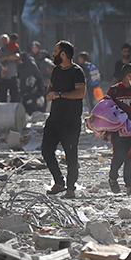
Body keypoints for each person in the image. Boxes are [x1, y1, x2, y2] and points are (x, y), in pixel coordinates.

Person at [42, 40, 87, 199]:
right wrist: (50, 93)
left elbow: (80, 93)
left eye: (55, 51)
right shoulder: (56, 70)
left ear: (63, 54)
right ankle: (58, 182)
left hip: (70, 121)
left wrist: (61, 95)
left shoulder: (77, 71)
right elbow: (51, 86)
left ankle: (70, 188)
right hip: (54, 119)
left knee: (70, 155)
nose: (53, 54)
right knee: (46, 150)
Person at [106, 63, 131, 196]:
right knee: (119, 157)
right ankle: (112, 178)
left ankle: (129, 187)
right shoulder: (114, 91)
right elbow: (105, 110)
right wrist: (105, 130)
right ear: (129, 76)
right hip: (118, 131)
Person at [0, 33, 21, 102]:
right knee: (2, 97)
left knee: (14, 96)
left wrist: (6, 58)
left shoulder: (15, 48)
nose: (4, 41)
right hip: (3, 77)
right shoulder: (0, 50)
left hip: (13, 75)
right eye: (2, 40)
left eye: (5, 40)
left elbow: (17, 56)